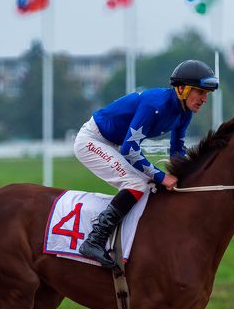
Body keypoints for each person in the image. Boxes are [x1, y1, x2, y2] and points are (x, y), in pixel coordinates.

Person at [72, 59, 219, 268]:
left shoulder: (184, 112)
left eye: (207, 94)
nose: (204, 99)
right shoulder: (155, 104)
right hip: (93, 141)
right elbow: (129, 150)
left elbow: (177, 150)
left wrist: (188, 178)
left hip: (116, 144)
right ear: (181, 89)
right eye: (200, 92)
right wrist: (161, 176)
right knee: (137, 184)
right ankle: (94, 239)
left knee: (151, 186)